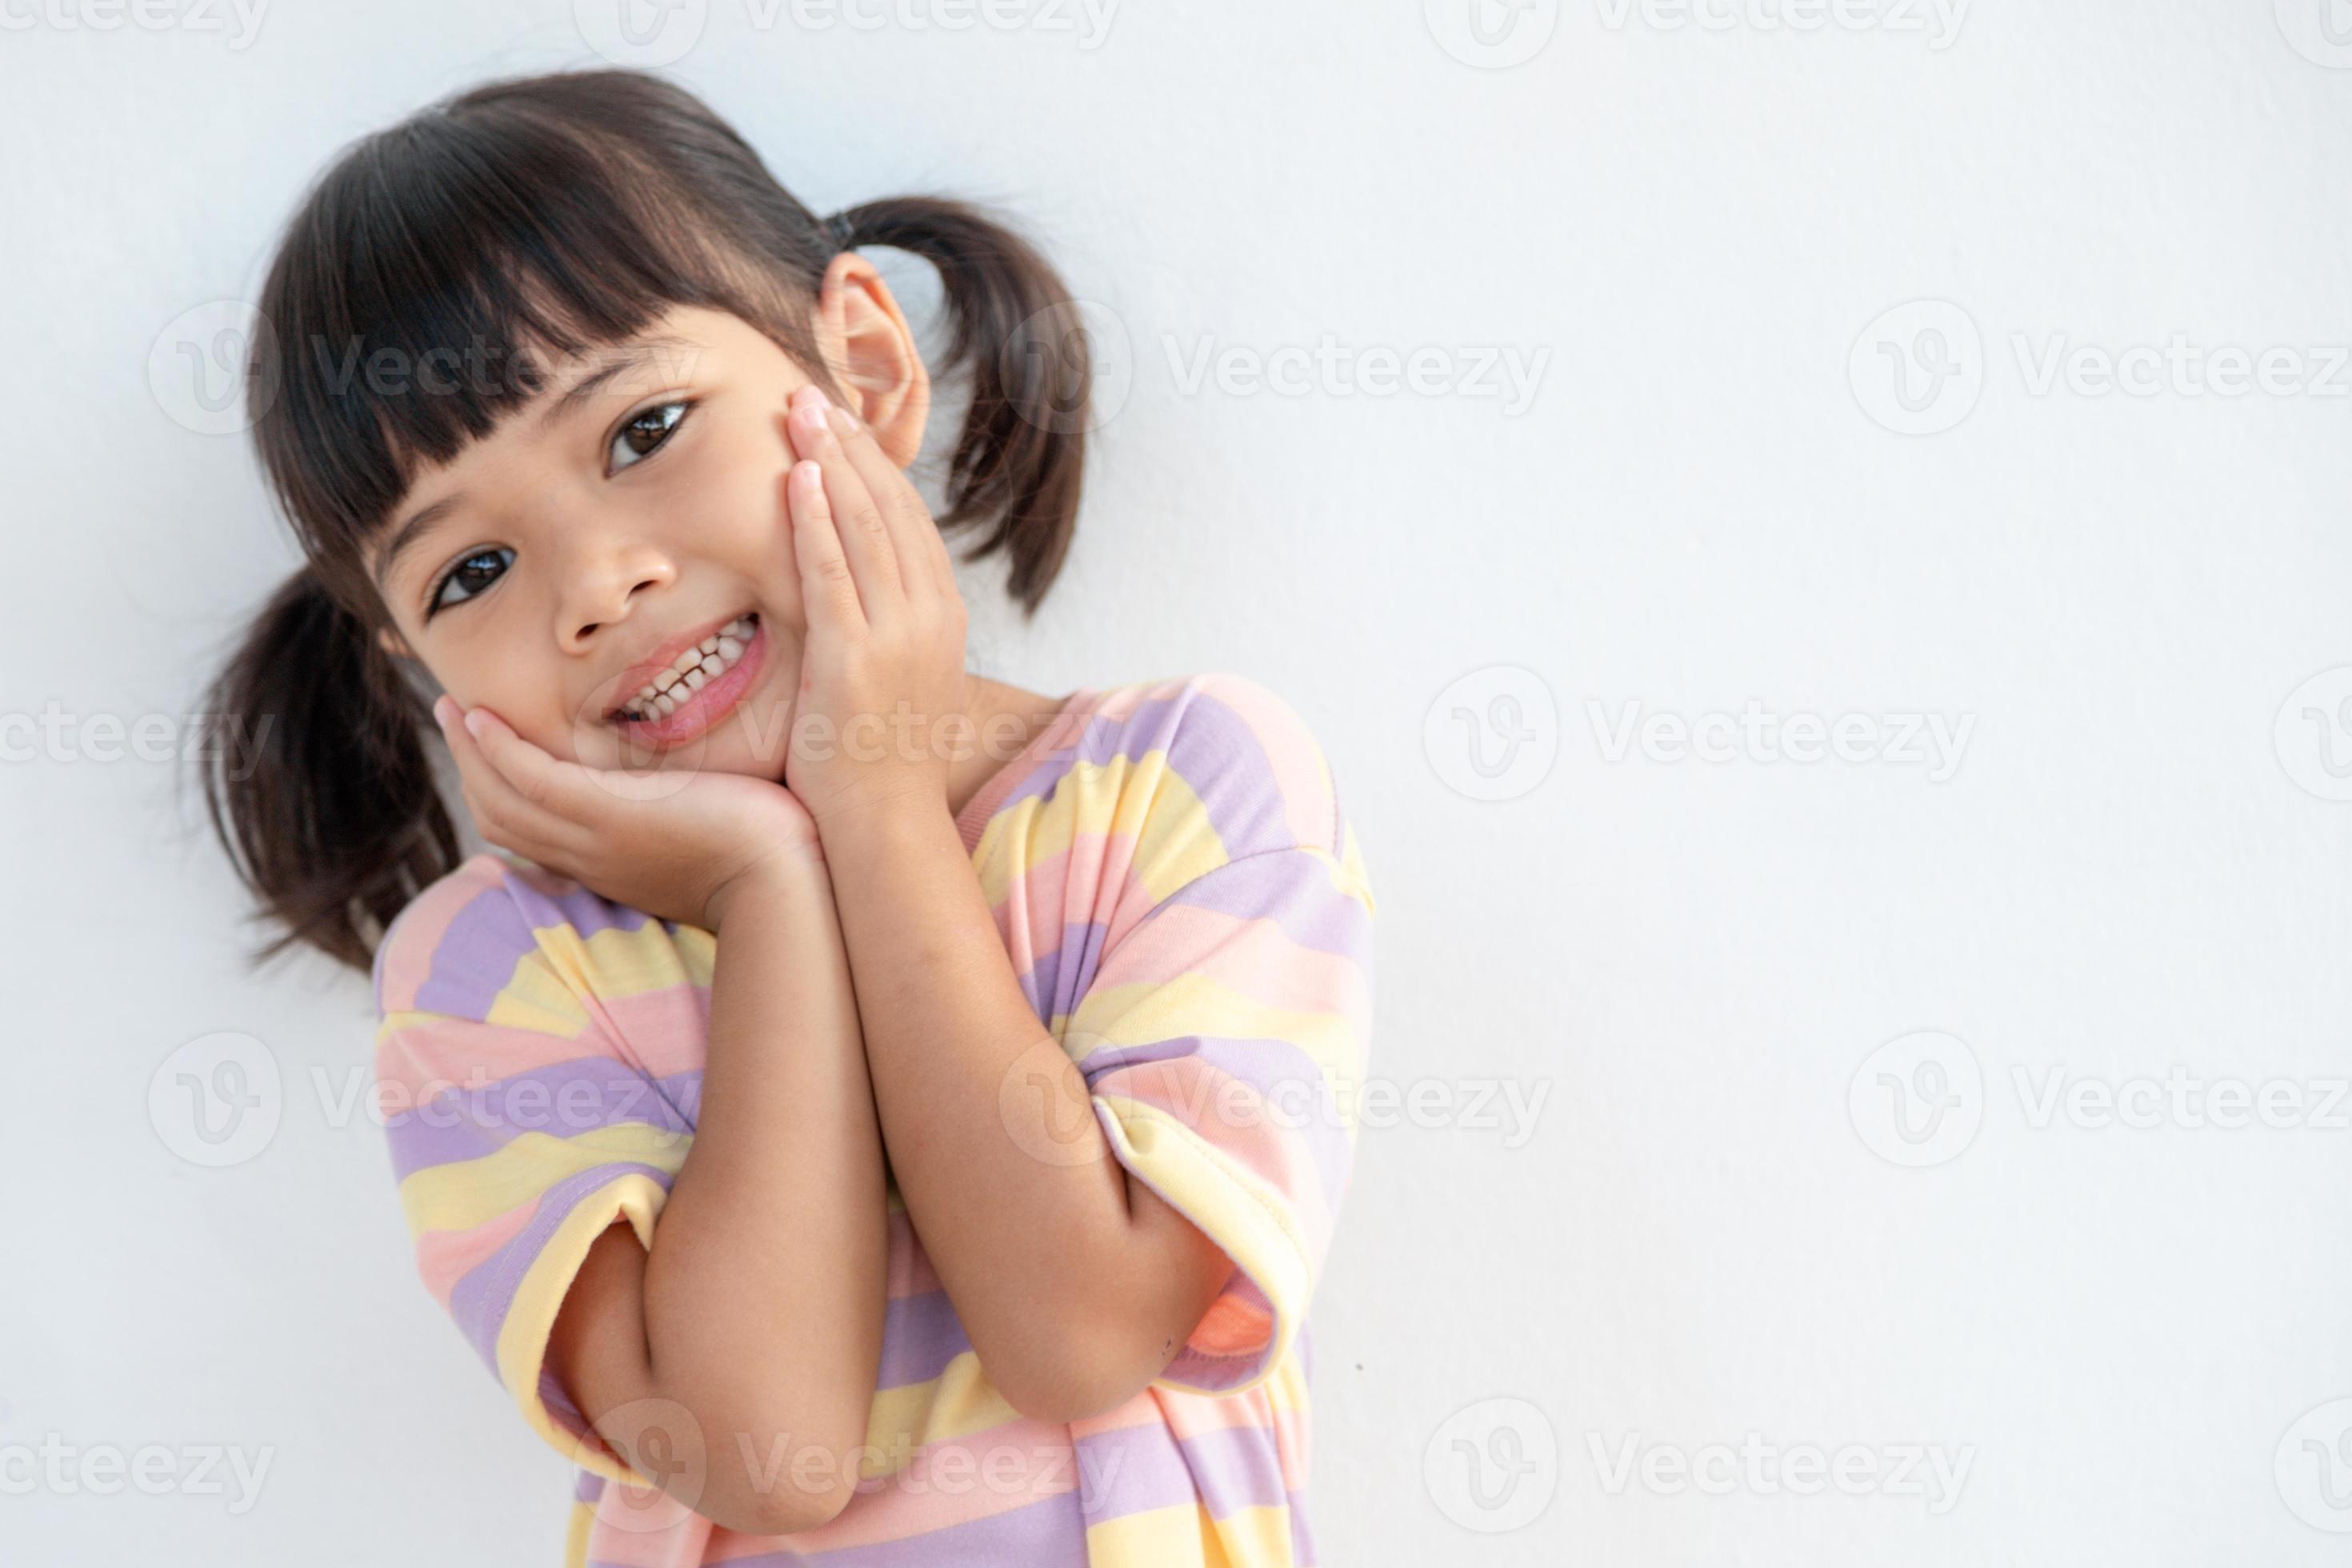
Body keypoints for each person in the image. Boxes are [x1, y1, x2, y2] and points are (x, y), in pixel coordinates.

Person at [197, 66, 1377, 1567]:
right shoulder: (495, 975)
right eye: (470, 576)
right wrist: (767, 892)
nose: (599, 586)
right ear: (413, 666)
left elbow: (1084, 1330)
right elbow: (771, 1452)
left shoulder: (1186, 788)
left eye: (643, 432)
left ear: (866, 370)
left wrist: (871, 808)